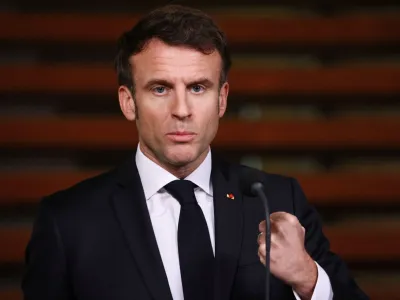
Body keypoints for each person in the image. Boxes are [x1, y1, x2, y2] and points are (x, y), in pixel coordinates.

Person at [22, 5, 369, 300]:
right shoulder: (67, 221)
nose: (182, 109)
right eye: (160, 88)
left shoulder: (279, 200)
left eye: (198, 87)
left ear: (222, 98)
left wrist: (308, 278)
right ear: (129, 102)